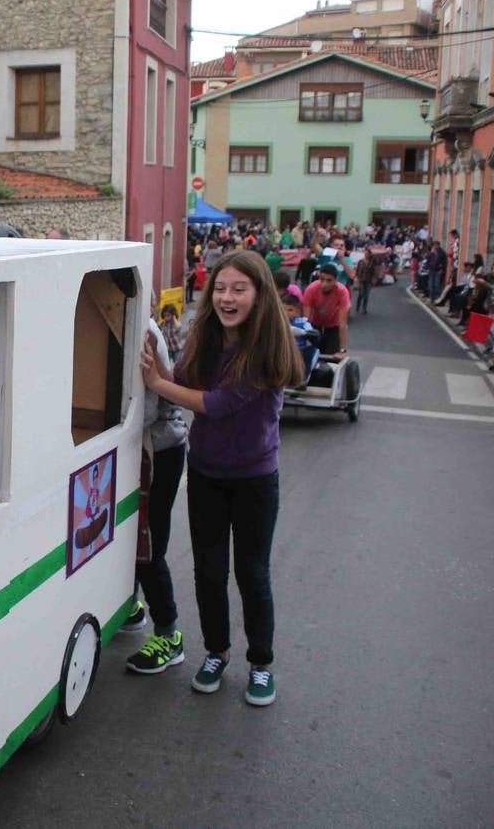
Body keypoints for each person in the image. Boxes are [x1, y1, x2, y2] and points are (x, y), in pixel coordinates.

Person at [139, 250, 305, 706]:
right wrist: (156, 359)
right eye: (221, 288)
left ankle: (261, 663)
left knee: (252, 574)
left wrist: (157, 383)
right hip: (207, 474)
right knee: (208, 572)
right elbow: (184, 380)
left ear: (260, 294)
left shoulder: (266, 348)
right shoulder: (206, 335)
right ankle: (216, 652)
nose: (227, 298)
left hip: (254, 480)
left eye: (239, 289)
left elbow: (214, 403)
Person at [121, 320, 188, 672]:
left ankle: (169, 634)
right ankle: (128, 606)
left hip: (158, 448)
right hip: (130, 446)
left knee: (148, 542)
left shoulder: (142, 329)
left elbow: (144, 409)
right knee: (120, 532)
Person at [302, 264, 351, 356]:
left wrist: (342, 350)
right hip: (315, 324)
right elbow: (305, 320)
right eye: (322, 279)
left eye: (329, 280)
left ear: (336, 280)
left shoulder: (342, 292)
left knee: (332, 356)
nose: (324, 284)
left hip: (333, 324)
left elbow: (342, 323)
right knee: (312, 354)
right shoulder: (311, 289)